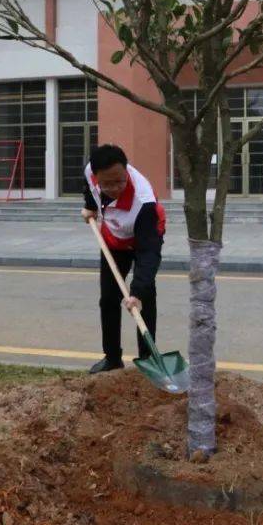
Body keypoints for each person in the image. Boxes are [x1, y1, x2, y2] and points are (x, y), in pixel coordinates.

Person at [81, 144, 166, 374]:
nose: (115, 188)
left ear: (126, 171)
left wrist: (136, 292)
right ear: (97, 175)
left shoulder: (143, 200)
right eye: (107, 183)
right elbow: (89, 187)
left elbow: (149, 253)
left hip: (143, 237)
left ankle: (149, 360)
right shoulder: (90, 171)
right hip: (114, 237)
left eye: (120, 181)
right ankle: (112, 358)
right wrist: (90, 207)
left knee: (144, 299)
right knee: (108, 298)